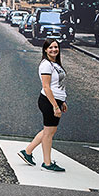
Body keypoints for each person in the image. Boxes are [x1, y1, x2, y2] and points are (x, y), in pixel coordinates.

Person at [18, 38, 68, 172]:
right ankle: (47, 163)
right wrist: (55, 106)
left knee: (48, 131)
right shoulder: (46, 65)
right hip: (48, 101)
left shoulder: (54, 63)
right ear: (45, 49)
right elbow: (46, 87)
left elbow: (57, 85)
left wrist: (62, 101)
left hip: (55, 100)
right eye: (50, 47)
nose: (54, 50)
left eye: (56, 47)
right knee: (49, 133)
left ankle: (27, 152)